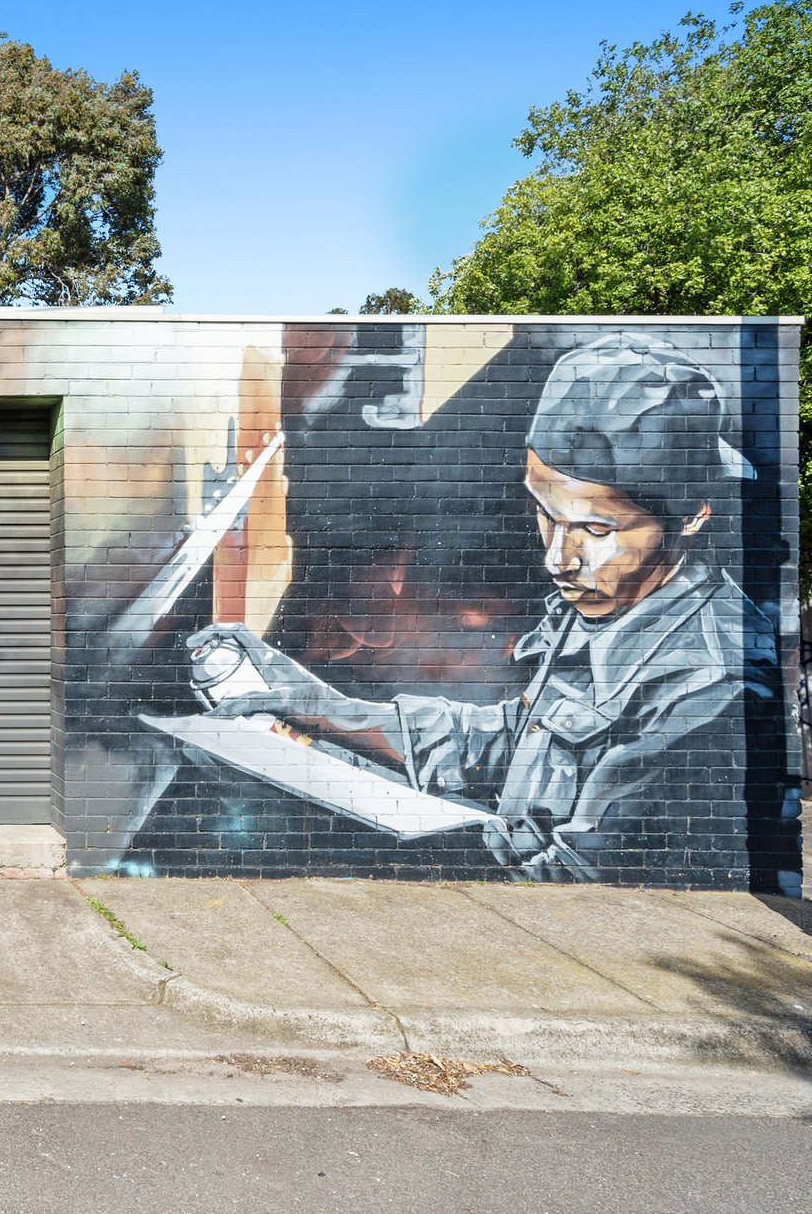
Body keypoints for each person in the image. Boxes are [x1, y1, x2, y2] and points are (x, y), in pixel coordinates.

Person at [191, 334, 776, 884]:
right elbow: (508, 742)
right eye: (547, 512)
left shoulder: (710, 681)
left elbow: (576, 877)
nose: (559, 559)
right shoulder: (610, 601)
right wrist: (320, 706)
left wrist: (379, 848)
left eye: (597, 528)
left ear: (692, 515)